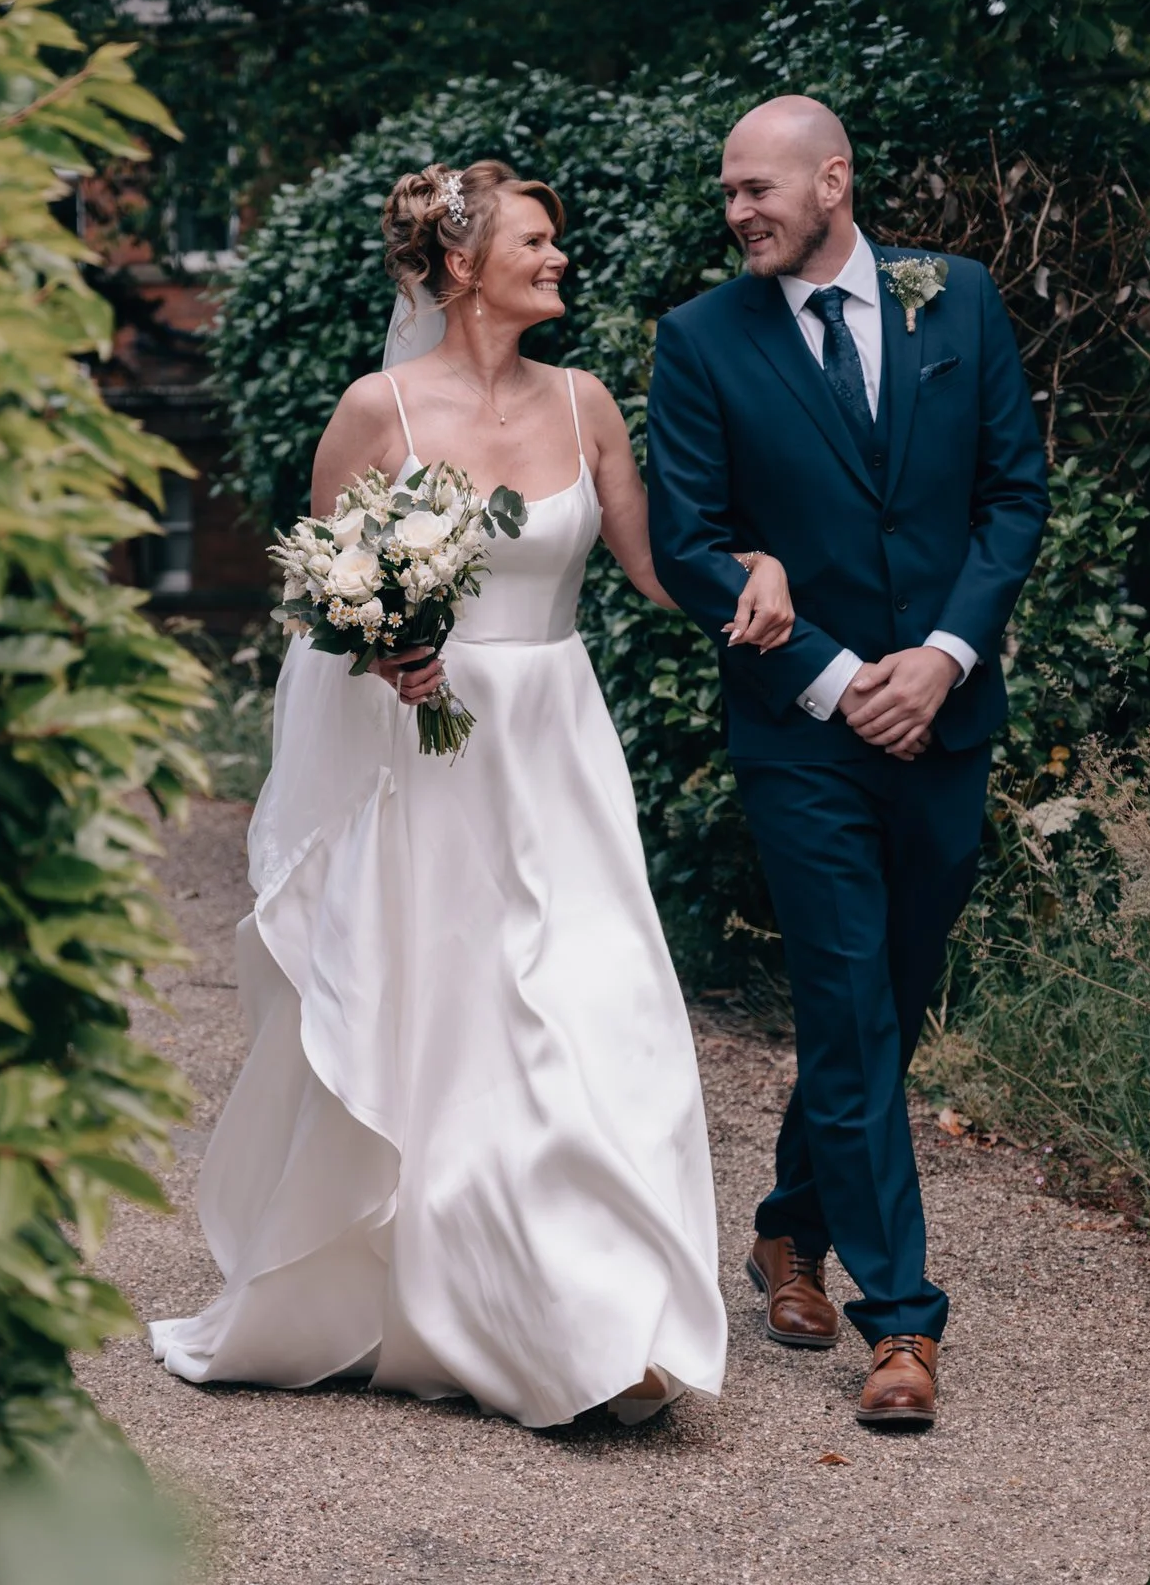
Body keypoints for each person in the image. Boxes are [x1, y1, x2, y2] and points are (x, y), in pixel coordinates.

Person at [149, 159, 791, 1428]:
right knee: (457, 1035)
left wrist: (754, 568)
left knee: (596, 1013)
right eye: (536, 241)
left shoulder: (587, 401)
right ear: (457, 265)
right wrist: (384, 647)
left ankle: (601, 1322)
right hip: (428, 759)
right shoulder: (374, 410)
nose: (559, 258)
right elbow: (322, 594)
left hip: (555, 747)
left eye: (557, 241)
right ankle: (490, 1315)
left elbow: (657, 566)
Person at [645, 96, 1049, 1429]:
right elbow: (693, 537)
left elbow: (1012, 497)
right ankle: (905, 1323)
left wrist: (941, 656)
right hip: (800, 732)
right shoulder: (702, 339)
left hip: (946, 717)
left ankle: (784, 1229)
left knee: (890, 996)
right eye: (727, 195)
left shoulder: (963, 302)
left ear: (835, 178)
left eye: (760, 187)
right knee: (850, 1003)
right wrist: (830, 675)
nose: (740, 210)